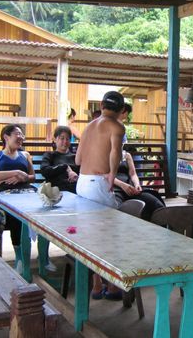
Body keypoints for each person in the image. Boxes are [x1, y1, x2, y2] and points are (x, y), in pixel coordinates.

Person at [75, 91, 125, 300]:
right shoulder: (117, 126)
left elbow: (77, 159)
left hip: (83, 182)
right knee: (111, 237)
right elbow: (115, 152)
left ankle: (96, 286)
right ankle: (112, 287)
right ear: (122, 110)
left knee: (92, 237)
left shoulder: (89, 126)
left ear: (102, 105)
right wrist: (112, 174)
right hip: (99, 184)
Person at [0, 125, 36, 274]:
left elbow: (32, 176)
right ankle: (20, 258)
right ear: (6, 137)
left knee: (39, 208)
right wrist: (17, 172)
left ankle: (43, 259)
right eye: (17, 134)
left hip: (26, 190)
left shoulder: (25, 154)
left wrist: (23, 177)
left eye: (22, 135)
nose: (21, 137)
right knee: (16, 212)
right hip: (6, 193)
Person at [114, 146, 165, 221]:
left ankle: (165, 228)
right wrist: (123, 185)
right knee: (117, 209)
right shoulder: (104, 155)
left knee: (156, 203)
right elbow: (106, 175)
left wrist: (137, 184)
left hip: (131, 188)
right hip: (116, 189)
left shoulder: (126, 155)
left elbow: (133, 174)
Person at [41, 126, 79, 193]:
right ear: (55, 139)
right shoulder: (50, 155)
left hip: (74, 193)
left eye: (67, 139)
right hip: (56, 194)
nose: (65, 141)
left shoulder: (75, 157)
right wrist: (65, 167)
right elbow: (44, 171)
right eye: (62, 138)